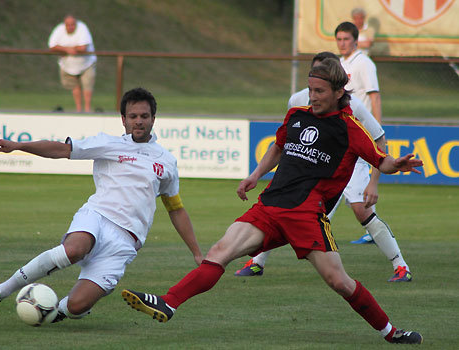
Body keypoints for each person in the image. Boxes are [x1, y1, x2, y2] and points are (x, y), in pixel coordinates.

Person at [121, 59, 423, 345]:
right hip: (269, 206)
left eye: (319, 91)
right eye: (310, 90)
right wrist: (255, 175)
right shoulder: (296, 116)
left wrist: (398, 164)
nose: (312, 97)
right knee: (219, 252)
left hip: (306, 215)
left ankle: (391, 332)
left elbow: (380, 161)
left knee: (339, 282)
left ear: (338, 92)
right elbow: (279, 147)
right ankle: (169, 302)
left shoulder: (350, 128)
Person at [0, 87, 203, 323]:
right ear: (123, 120)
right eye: (133, 116)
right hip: (97, 216)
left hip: (126, 242)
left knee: (77, 305)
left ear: (153, 119)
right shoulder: (108, 144)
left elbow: (176, 208)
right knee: (74, 249)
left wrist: (197, 253)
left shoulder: (167, 162)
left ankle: (61, 310)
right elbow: (61, 149)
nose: (139, 122)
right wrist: (19, 146)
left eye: (144, 116)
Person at [236, 52, 412, 283]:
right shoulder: (297, 101)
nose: (316, 89)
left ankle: (400, 265)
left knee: (361, 211)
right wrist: (257, 174)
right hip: (314, 169)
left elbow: (379, 138)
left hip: (350, 164)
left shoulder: (354, 106)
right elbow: (285, 141)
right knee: (288, 209)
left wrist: (373, 182)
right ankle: (257, 261)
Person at [336, 21, 389, 247]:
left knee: (353, 186)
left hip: (362, 131)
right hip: (342, 131)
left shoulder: (363, 63)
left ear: (356, 41)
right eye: (339, 39)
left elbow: (374, 95)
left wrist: (377, 128)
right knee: (353, 187)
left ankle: (373, 228)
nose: (342, 43)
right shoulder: (338, 63)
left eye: (346, 39)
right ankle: (373, 228)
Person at [48, 15, 97, 112]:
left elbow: (83, 47)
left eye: (73, 25)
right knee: (75, 86)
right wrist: (68, 49)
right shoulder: (59, 30)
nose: (70, 27)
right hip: (68, 66)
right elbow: (52, 46)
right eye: (68, 25)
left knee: (87, 86)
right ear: (64, 25)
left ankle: (87, 110)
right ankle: (78, 110)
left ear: (76, 24)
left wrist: (65, 49)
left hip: (86, 64)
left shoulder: (82, 28)